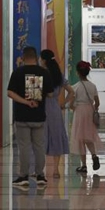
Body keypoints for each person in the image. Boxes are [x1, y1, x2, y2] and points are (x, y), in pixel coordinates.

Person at [7, 46, 54, 187]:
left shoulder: (18, 72)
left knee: (24, 147)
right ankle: (40, 175)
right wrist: (37, 96)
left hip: (22, 116)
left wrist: (26, 102)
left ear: (23, 57)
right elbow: (51, 94)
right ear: (36, 57)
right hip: (39, 115)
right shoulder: (44, 73)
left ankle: (23, 177)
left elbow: (10, 93)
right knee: (39, 146)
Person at [40, 50, 74, 178]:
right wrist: (63, 104)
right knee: (56, 137)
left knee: (40, 138)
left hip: (41, 107)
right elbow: (71, 92)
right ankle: (55, 170)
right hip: (54, 108)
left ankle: (39, 169)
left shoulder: (41, 74)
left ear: (43, 60)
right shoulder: (59, 75)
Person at [70, 61, 103, 173]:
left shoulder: (75, 87)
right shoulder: (93, 86)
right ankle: (94, 156)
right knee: (89, 136)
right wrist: (95, 110)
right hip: (90, 110)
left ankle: (84, 165)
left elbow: (71, 104)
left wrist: (74, 108)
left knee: (80, 138)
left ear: (77, 73)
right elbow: (97, 102)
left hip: (79, 112)